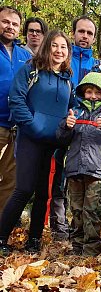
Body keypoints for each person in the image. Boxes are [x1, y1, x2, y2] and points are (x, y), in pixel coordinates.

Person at [0, 30, 74, 256]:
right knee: (23, 189)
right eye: (55, 46)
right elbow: (17, 99)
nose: (59, 51)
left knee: (44, 193)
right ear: (47, 47)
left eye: (63, 47)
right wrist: (32, 125)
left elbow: (72, 107)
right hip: (30, 139)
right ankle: (1, 237)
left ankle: (34, 240)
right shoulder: (31, 70)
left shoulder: (68, 78)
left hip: (55, 143)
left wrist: (69, 123)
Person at [48, 15, 101, 241]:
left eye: (89, 33)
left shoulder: (100, 68)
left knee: (86, 183)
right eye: (81, 32)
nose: (84, 36)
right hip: (66, 126)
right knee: (60, 177)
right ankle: (59, 227)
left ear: (94, 37)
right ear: (74, 33)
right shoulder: (62, 62)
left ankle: (88, 235)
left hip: (91, 133)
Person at [56, 72, 101, 256]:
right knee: (77, 211)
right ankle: (77, 247)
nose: (93, 96)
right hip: (74, 169)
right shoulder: (75, 112)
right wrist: (66, 126)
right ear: (83, 93)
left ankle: (91, 250)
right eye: (89, 91)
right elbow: (61, 140)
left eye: (97, 92)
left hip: (98, 170)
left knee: (92, 212)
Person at [0, 6, 31, 219]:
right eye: (5, 22)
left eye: (14, 24)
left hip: (16, 127)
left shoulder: (24, 55)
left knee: (11, 180)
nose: (10, 27)